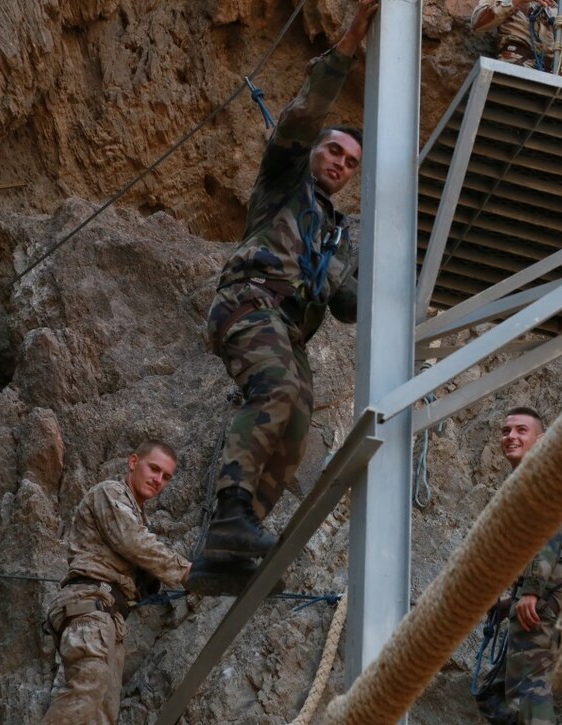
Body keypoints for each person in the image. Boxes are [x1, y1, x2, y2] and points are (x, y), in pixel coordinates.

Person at [189, 0, 380, 594]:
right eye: (334, 151)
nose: (340, 164)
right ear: (316, 151)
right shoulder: (285, 178)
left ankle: (230, 548)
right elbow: (304, 114)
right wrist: (349, 42)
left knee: (294, 427)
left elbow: (346, 305)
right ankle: (230, 515)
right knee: (273, 390)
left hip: (291, 329)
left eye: (351, 162)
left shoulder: (338, 233)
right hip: (252, 300)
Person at [42, 441, 191, 724]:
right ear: (133, 462)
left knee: (102, 715)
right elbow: (132, 541)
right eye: (154, 469)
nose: (158, 479)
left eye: (166, 476)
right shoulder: (109, 492)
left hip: (111, 619)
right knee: (86, 691)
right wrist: (186, 572)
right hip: (90, 608)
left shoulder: (138, 516)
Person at [475, 407, 562, 725]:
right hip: (535, 597)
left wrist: (531, 592)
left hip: (544, 600)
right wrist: (511, 600)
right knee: (493, 696)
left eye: (521, 430)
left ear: (540, 440)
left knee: (529, 692)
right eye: (506, 431)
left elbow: (550, 533)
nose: (511, 436)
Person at [471, 0, 559, 72]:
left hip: (549, 75)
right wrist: (516, 1)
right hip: (514, 66)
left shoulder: (554, 6)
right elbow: (477, 23)